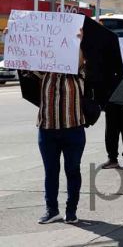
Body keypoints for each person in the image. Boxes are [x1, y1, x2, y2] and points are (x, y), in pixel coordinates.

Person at [4, 26, 87, 224]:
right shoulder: (45, 72)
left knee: (72, 170)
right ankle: (52, 210)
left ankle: (71, 211)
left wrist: (79, 42)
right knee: (51, 171)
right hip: (47, 129)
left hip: (73, 129)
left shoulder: (79, 73)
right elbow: (24, 59)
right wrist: (12, 39)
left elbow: (81, 61)